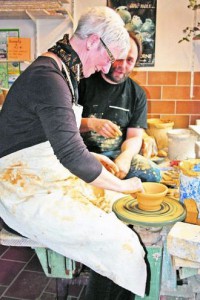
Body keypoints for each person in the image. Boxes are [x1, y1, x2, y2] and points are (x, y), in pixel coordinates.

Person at [0, 6, 147, 299]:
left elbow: (51, 142)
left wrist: (95, 159)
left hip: (41, 176)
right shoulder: (49, 78)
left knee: (118, 212)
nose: (107, 68)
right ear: (93, 41)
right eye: (109, 57)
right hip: (22, 192)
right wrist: (124, 184)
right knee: (125, 246)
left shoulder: (61, 72)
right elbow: (69, 155)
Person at [79, 31, 161, 183]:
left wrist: (126, 156)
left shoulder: (137, 94)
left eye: (129, 60)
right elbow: (62, 126)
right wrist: (91, 123)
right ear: (109, 54)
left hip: (116, 155)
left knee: (153, 174)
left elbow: (135, 136)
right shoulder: (83, 83)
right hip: (83, 154)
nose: (122, 66)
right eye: (119, 58)